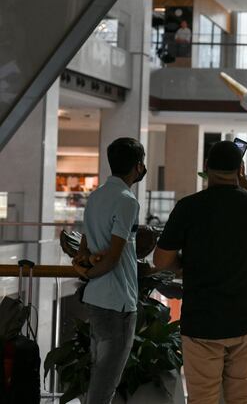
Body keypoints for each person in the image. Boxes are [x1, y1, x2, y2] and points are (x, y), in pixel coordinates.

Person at [153, 141, 247, 404]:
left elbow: (161, 261)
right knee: (242, 397)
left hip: (202, 322)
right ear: (240, 170)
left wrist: (183, 265)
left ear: (206, 168)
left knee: (202, 399)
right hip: (243, 319)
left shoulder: (188, 208)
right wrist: (243, 182)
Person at [72, 137, 146, 404]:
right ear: (137, 167)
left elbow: (85, 244)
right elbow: (114, 256)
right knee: (106, 383)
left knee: (98, 374)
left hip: (96, 299)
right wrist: (88, 273)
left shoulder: (97, 196)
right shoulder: (126, 200)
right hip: (118, 302)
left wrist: (85, 269)